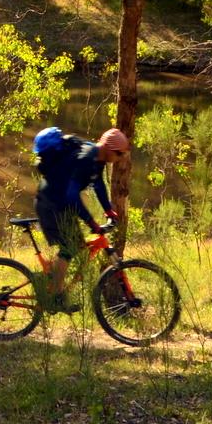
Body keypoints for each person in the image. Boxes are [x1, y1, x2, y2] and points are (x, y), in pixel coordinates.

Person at [31, 126, 131, 311]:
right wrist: (91, 222)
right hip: (50, 205)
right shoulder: (86, 158)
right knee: (70, 248)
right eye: (118, 154)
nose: (119, 158)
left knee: (76, 246)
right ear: (109, 149)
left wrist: (109, 210)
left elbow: (98, 183)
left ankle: (49, 279)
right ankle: (56, 298)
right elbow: (72, 196)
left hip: (61, 205)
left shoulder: (97, 158)